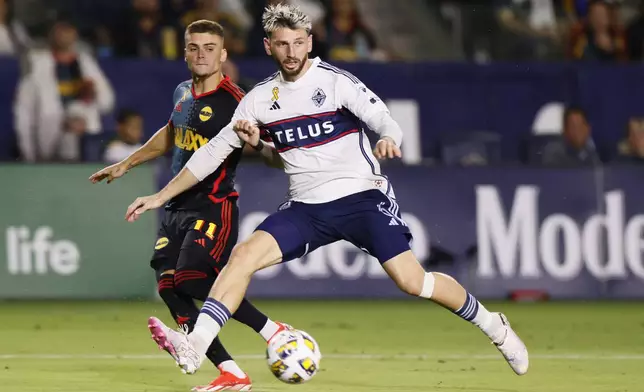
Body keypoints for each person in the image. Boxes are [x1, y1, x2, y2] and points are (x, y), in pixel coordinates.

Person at [124, 4, 529, 377]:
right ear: (269, 46)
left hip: (361, 199)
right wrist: (162, 196)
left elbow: (383, 118)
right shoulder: (259, 100)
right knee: (243, 257)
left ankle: (493, 325)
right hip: (306, 208)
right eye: (282, 44)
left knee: (413, 282)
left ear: (310, 42)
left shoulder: (335, 82)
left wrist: (388, 137)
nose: (291, 51)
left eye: (298, 42)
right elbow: (210, 154)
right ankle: (195, 346)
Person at [89, 19, 289, 392]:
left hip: (214, 205)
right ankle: (231, 373)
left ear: (223, 54)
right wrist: (126, 163)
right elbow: (171, 133)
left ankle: (272, 330)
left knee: (193, 280)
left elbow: (270, 150)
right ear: (184, 53)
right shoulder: (183, 92)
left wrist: (259, 144)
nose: (201, 54)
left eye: (209, 48)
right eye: (194, 47)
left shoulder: (236, 101)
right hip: (177, 209)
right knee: (168, 286)